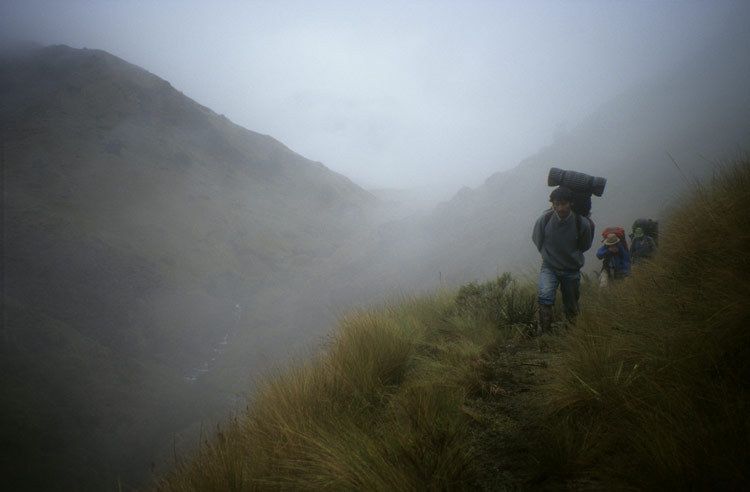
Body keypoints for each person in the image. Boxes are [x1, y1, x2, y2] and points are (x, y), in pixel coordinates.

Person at [532, 186, 594, 334]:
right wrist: (548, 255)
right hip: (549, 267)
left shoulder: (581, 223)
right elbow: (537, 239)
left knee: (571, 305)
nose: (560, 208)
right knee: (545, 296)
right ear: (552, 204)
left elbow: (585, 245)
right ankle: (545, 334)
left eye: (563, 203)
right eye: (556, 204)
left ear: (571, 203)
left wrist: (570, 256)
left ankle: (571, 334)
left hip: (571, 269)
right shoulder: (545, 219)